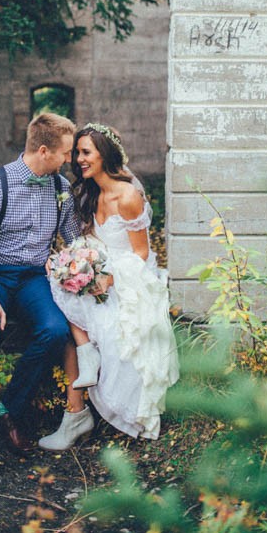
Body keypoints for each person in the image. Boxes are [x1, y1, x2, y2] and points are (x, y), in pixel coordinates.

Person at [0, 112, 82, 494]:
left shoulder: (61, 187)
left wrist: (82, 266)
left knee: (55, 331)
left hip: (33, 277)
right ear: (44, 150)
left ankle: (9, 408)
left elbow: (72, 239)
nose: (70, 160)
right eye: (65, 153)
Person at [39, 123, 179, 450]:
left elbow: (141, 253)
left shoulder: (128, 195)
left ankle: (96, 387)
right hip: (100, 265)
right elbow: (90, 240)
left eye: (86, 152)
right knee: (59, 280)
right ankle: (86, 353)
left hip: (128, 275)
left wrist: (107, 278)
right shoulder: (91, 193)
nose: (79, 159)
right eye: (77, 153)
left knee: (108, 319)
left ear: (105, 154)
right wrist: (74, 262)